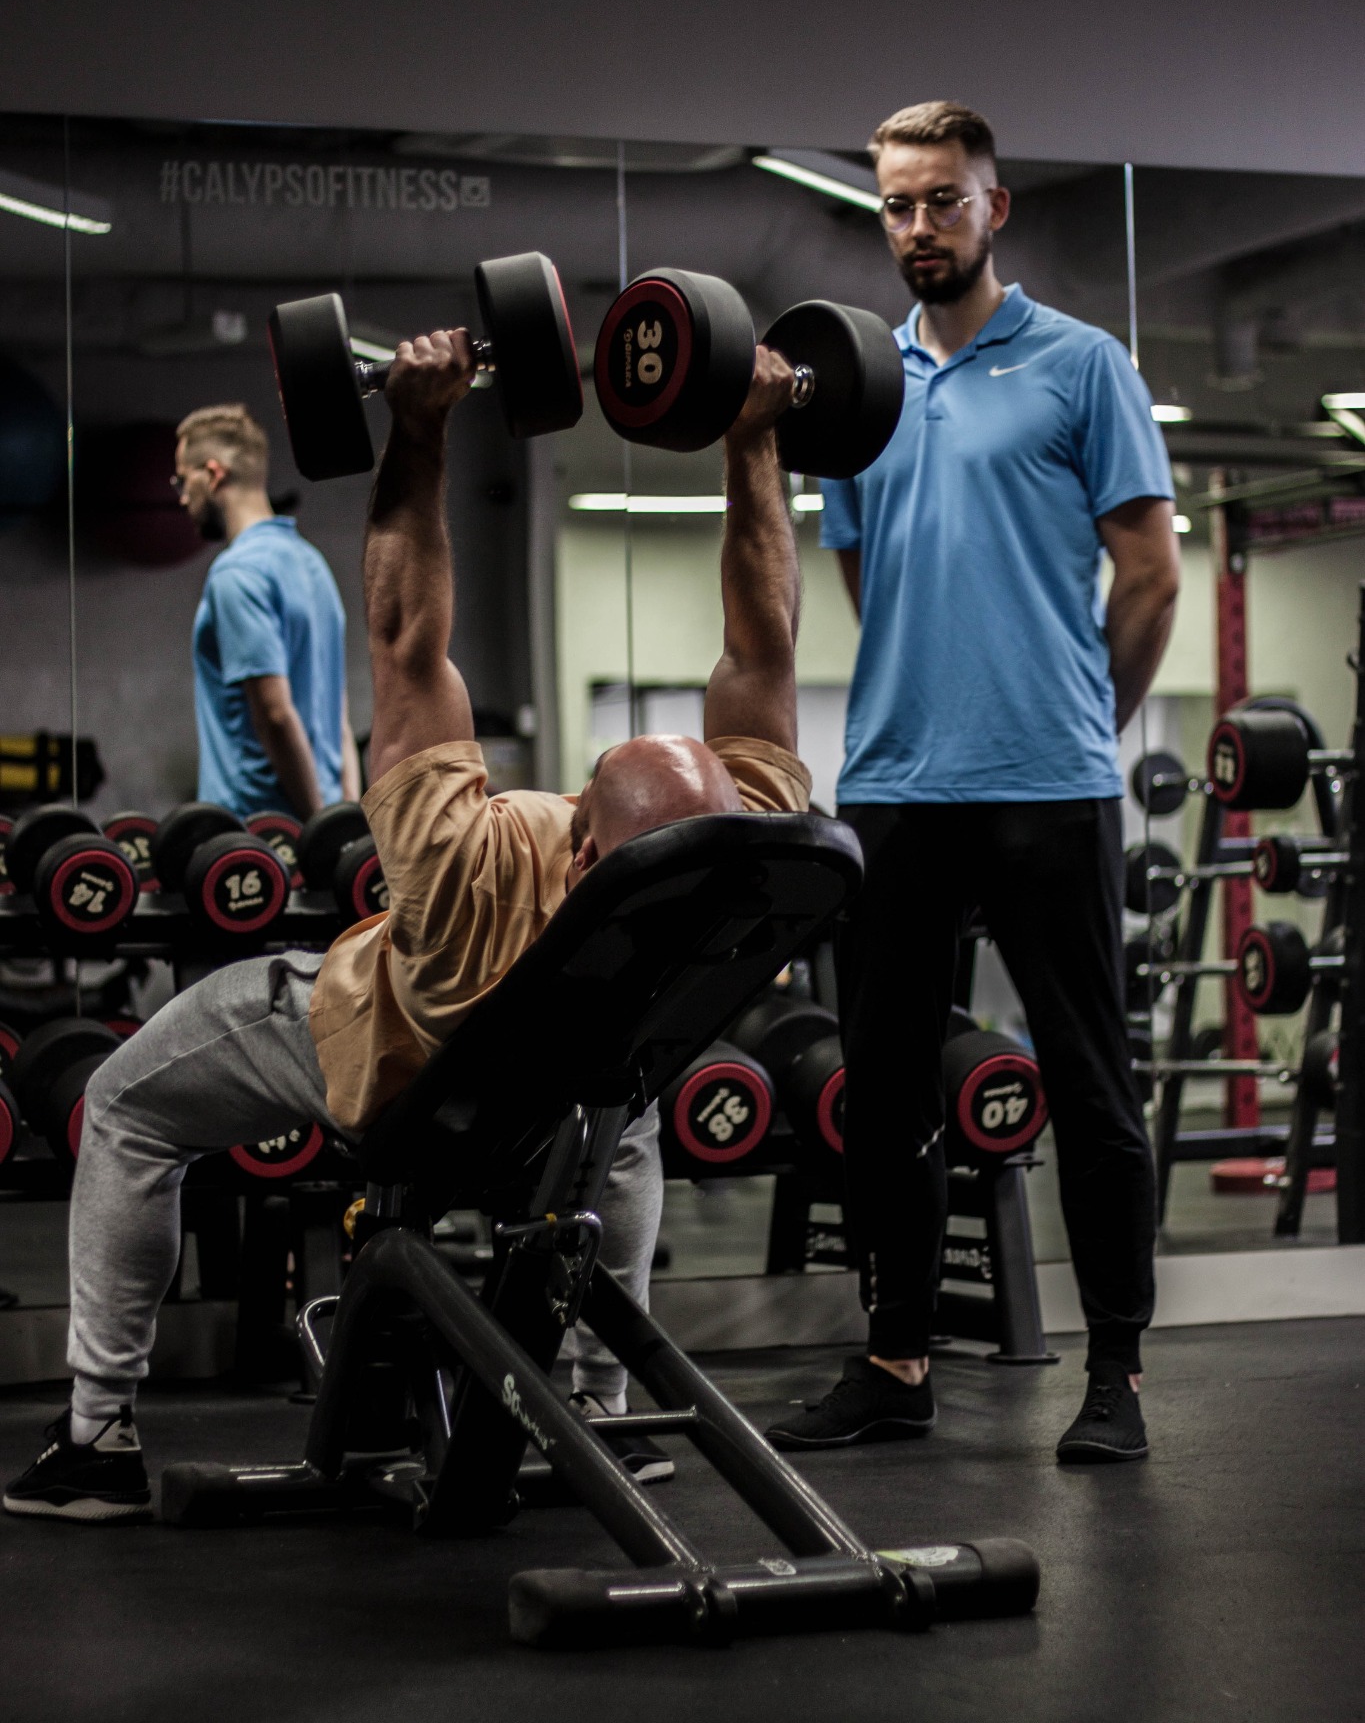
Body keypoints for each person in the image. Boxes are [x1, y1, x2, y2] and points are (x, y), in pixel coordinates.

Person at [5, 325, 810, 1522]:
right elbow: (763, 641)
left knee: (124, 1104)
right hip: (559, 1102)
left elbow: (406, 641)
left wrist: (420, 429)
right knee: (620, 1105)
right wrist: (756, 436)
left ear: (585, 836)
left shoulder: (469, 858)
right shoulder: (735, 860)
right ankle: (598, 1409)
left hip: (394, 1064)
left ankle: (97, 1435)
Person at [765, 101, 1180, 1466]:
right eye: (896, 204)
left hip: (1048, 784)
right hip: (893, 783)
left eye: (944, 199)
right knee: (879, 1090)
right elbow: (861, 569)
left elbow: (1151, 569)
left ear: (993, 207)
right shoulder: (858, 382)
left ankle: (1113, 1370)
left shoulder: (1082, 365)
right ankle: (894, 1359)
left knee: (1090, 1082)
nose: (920, 227)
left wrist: (1082, 716)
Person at [174, 403, 361, 818]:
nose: (183, 497)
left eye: (183, 480)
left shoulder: (237, 573)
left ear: (213, 473)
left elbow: (275, 715)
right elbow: (340, 716)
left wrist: (317, 830)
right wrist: (344, 817)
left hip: (258, 833)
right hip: (322, 817)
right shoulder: (313, 564)